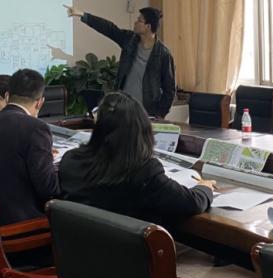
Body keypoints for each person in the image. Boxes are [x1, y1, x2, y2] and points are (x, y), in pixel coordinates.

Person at [59, 91, 215, 225]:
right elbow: (192, 203)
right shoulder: (144, 171)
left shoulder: (71, 161)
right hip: (125, 249)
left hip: (77, 248)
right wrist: (204, 187)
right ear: (141, 132)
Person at [0, 68, 60, 226]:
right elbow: (48, 189)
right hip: (20, 222)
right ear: (40, 102)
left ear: (7, 96)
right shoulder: (36, 128)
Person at [64, 4, 175, 118]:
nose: (135, 22)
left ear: (148, 26)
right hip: (123, 107)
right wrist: (83, 15)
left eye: (139, 20)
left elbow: (169, 89)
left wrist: (160, 114)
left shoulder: (163, 54)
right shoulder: (129, 40)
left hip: (147, 112)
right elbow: (109, 28)